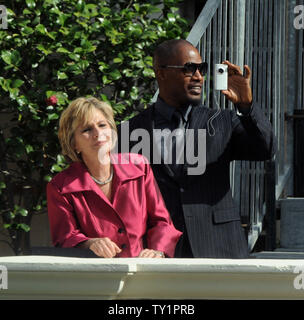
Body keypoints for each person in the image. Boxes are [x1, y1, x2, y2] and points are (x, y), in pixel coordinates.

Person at [117, 39, 276, 258]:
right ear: (161, 73)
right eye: (189, 69)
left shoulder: (222, 121)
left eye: (202, 69)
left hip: (219, 248)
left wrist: (246, 107)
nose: (199, 77)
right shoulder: (129, 132)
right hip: (158, 252)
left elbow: (265, 149)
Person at [47, 97, 182, 258]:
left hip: (143, 272)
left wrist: (157, 251)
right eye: (87, 130)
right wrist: (89, 243)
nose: (98, 134)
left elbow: (162, 222)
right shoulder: (60, 187)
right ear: (74, 144)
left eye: (102, 125)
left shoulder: (139, 167)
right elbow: (64, 238)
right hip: (95, 278)